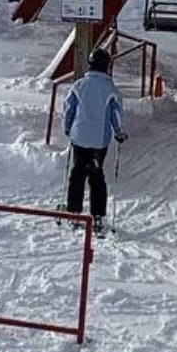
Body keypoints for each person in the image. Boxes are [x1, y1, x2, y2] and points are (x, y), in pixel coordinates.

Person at [60, 46, 127, 235]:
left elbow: (69, 109)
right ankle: (97, 216)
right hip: (99, 140)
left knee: (78, 172)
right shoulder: (110, 89)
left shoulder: (79, 85)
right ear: (106, 66)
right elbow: (115, 113)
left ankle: (74, 211)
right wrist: (119, 132)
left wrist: (67, 127)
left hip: (79, 137)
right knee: (97, 175)